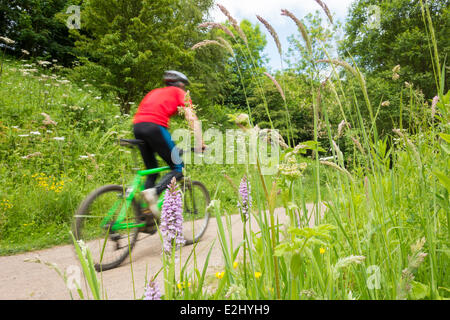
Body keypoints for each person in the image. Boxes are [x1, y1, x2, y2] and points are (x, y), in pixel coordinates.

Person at [133, 70, 205, 217]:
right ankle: (154, 192)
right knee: (178, 167)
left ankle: (145, 215)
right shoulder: (179, 93)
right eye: (183, 86)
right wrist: (200, 143)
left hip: (138, 127)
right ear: (179, 84)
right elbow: (192, 119)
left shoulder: (154, 92)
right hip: (154, 127)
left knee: (152, 171)